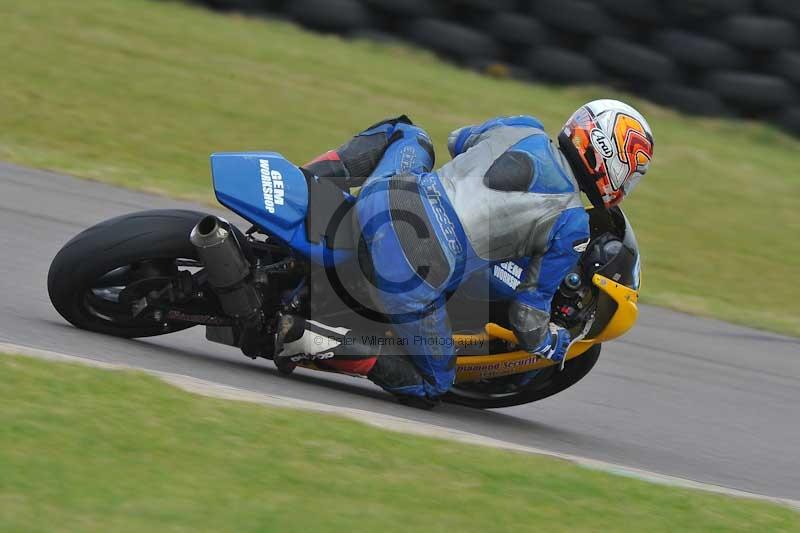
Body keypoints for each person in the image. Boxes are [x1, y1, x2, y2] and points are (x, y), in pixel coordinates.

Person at [276, 100, 654, 408]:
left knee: (406, 134)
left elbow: (458, 141)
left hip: (384, 197)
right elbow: (526, 316)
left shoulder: (523, 127)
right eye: (631, 173)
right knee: (434, 383)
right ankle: (316, 339)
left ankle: (300, 186)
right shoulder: (573, 225)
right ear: (613, 164)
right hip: (410, 268)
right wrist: (552, 344)